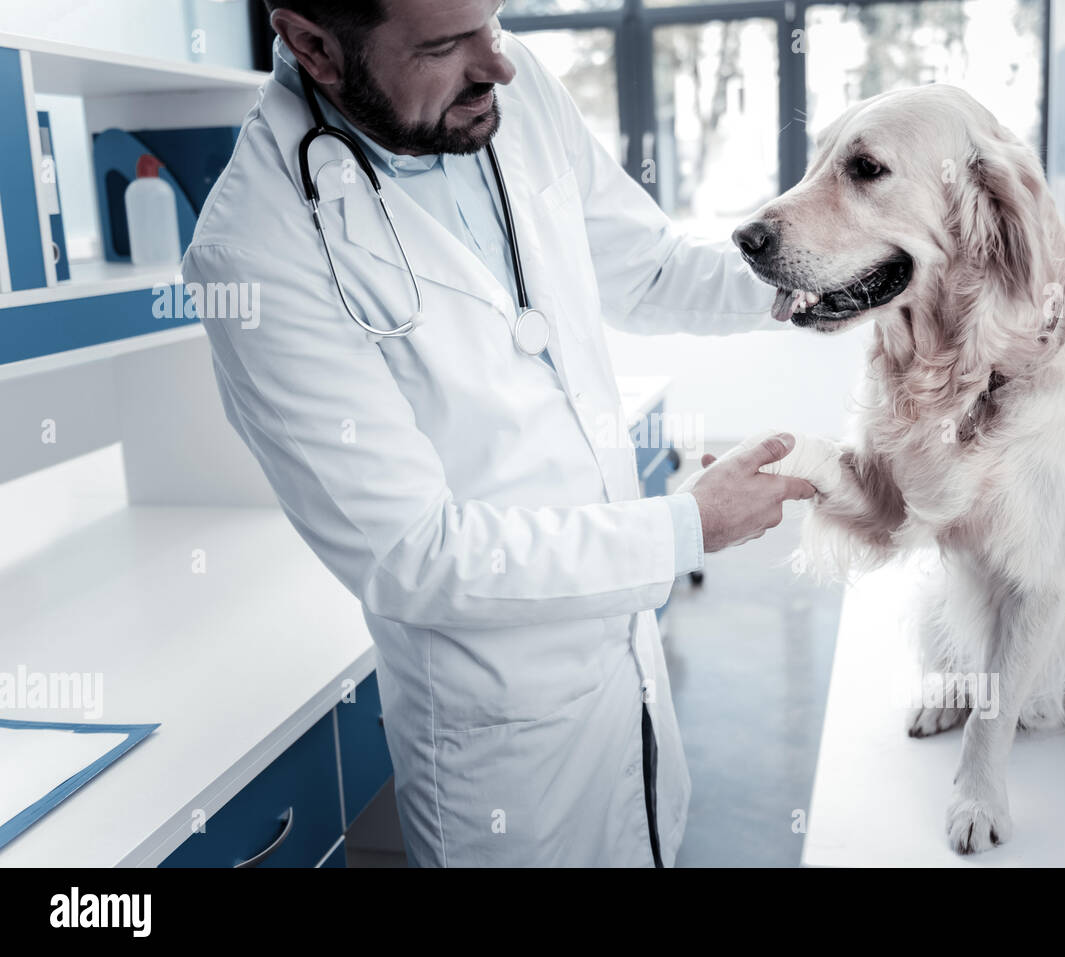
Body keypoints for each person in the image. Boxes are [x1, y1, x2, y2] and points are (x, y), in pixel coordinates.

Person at [183, 0, 814, 866]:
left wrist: (818, 275)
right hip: (502, 743)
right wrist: (686, 525)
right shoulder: (255, 252)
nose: (499, 63)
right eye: (445, 45)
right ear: (314, 47)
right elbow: (416, 554)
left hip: (627, 675)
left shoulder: (504, 91)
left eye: (495, 18)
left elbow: (650, 268)